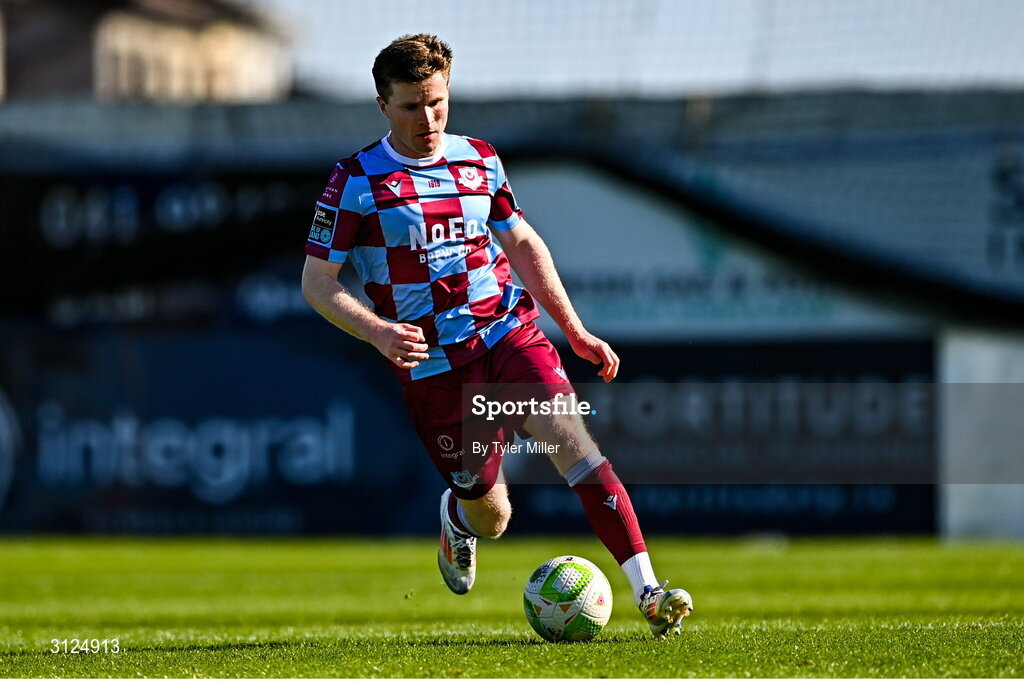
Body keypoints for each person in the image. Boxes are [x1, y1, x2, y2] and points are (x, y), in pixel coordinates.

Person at [301, 33, 692, 638]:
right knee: (493, 515)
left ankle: (649, 592)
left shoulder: (479, 158)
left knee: (575, 446)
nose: (427, 118)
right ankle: (459, 517)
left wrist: (575, 330)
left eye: (436, 101)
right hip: (433, 367)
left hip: (507, 332)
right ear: (383, 105)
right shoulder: (354, 181)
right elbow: (317, 282)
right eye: (409, 106)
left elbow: (523, 243)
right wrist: (378, 332)